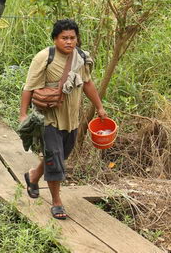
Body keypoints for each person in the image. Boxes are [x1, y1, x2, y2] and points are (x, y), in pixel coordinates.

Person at [19, 19, 107, 220]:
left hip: (72, 120)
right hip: (48, 119)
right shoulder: (45, 57)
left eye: (72, 38)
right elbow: (29, 87)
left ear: (77, 39)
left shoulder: (81, 58)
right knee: (55, 160)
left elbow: (87, 83)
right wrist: (23, 115)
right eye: (64, 38)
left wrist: (100, 107)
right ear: (55, 39)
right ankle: (57, 202)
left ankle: (33, 176)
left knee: (60, 155)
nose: (68, 42)